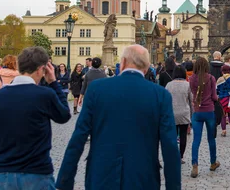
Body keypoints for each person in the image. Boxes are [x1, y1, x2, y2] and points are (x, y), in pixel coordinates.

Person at [56, 45, 181, 190]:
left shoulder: (97, 89)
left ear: (122, 63)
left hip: (101, 176)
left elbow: (79, 136)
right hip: (143, 178)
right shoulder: (160, 95)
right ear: (146, 68)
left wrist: (65, 180)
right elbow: (170, 146)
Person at [0, 47, 71, 190]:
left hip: (5, 174)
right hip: (38, 174)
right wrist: (53, 82)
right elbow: (64, 115)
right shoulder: (44, 95)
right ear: (41, 70)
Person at [188, 57, 220, 178]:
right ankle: (213, 163)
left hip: (197, 111)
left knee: (196, 140)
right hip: (209, 111)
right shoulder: (211, 78)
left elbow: (192, 93)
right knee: (211, 139)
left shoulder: (191, 79)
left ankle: (195, 164)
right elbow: (214, 97)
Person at [165, 65, 192, 164]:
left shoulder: (169, 85)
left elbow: (165, 100)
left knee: (173, 135)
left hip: (172, 113)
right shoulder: (187, 85)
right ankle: (180, 156)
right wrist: (191, 116)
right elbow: (191, 101)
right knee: (183, 135)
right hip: (184, 113)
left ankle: (173, 155)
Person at [216, 64, 230, 137]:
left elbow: (217, 90)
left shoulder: (220, 79)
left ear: (222, 71)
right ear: (229, 71)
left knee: (223, 115)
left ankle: (224, 131)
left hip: (222, 99)